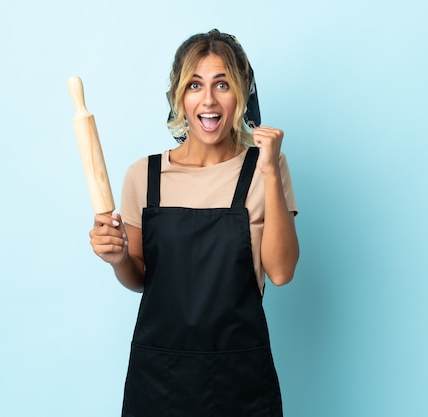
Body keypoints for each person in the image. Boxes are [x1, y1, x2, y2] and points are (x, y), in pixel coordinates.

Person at [89, 28, 299, 417]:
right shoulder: (144, 176)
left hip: (241, 380)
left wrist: (269, 171)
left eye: (223, 84)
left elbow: (281, 271)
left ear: (243, 94)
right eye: (194, 85)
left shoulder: (266, 168)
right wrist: (118, 258)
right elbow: (139, 277)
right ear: (178, 96)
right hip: (159, 379)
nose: (208, 100)